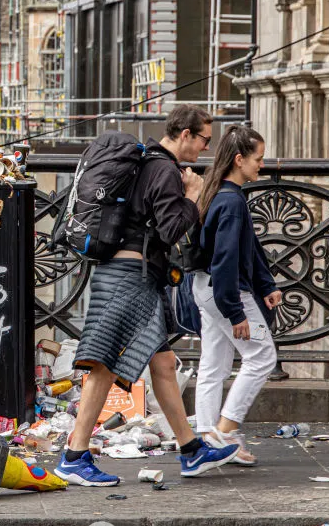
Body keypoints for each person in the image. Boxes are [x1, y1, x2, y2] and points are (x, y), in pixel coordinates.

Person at [54, 105, 239, 487]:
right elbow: (172, 229)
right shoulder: (164, 170)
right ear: (185, 134)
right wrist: (193, 194)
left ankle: (191, 450)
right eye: (204, 139)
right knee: (103, 365)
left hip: (126, 273)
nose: (205, 148)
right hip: (129, 277)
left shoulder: (148, 163)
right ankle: (74, 456)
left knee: (164, 363)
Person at [192, 125, 281, 465]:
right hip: (226, 292)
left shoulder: (218, 194)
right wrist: (236, 312)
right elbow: (228, 260)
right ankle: (223, 433)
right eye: (258, 159)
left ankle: (205, 435)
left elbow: (244, 249)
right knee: (261, 357)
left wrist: (265, 284)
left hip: (206, 288)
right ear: (239, 159)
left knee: (214, 362)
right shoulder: (232, 202)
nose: (263, 164)